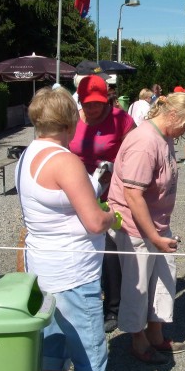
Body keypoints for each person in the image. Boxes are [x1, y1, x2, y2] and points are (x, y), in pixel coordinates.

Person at [16, 87, 116, 371]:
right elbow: (93, 219)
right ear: (70, 121)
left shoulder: (30, 153)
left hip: (42, 269)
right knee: (89, 349)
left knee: (53, 346)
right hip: (74, 271)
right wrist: (111, 217)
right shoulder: (65, 160)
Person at [108, 92, 185, 364]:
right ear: (173, 115)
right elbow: (132, 195)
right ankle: (138, 341)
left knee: (163, 278)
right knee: (137, 286)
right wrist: (152, 237)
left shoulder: (165, 136)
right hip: (135, 227)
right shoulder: (145, 142)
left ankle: (156, 334)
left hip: (157, 224)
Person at [69, 75, 134, 333]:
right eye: (87, 103)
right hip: (78, 191)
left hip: (111, 193)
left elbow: (137, 152)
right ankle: (87, 301)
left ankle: (114, 307)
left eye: (97, 103)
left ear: (106, 98)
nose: (92, 108)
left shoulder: (121, 119)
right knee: (81, 247)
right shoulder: (73, 119)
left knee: (108, 248)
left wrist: (115, 168)